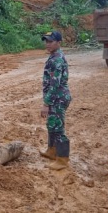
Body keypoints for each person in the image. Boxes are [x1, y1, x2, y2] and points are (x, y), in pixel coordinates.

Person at [39, 30, 72, 170]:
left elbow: (55, 84)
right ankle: (51, 151)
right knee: (51, 124)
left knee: (58, 128)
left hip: (58, 98)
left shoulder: (57, 59)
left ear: (59, 43)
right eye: (46, 41)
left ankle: (62, 160)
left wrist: (46, 103)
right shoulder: (54, 56)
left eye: (51, 41)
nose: (48, 44)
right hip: (55, 97)